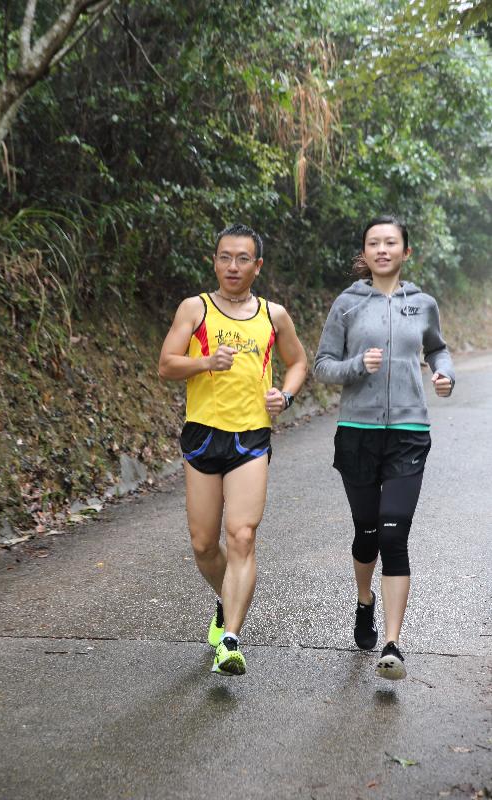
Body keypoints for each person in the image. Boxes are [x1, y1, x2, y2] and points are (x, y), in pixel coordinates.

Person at [159, 223, 307, 675]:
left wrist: (286, 395)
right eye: (225, 257)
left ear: (257, 266)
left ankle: (231, 639)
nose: (233, 266)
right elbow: (166, 365)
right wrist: (205, 361)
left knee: (241, 535)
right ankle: (226, 599)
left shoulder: (273, 315)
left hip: (250, 438)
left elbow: (297, 361)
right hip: (203, 435)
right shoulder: (196, 309)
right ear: (215, 261)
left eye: (243, 259)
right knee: (204, 544)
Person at [314, 214, 454, 680]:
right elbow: (323, 366)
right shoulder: (348, 305)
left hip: (409, 433)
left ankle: (392, 644)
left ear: (405, 251)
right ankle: (364, 601)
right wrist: (358, 364)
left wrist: (444, 373)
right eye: (374, 243)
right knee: (367, 533)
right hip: (357, 432)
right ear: (365, 252)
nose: (382, 250)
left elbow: (438, 348)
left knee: (394, 535)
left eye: (391, 243)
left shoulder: (423, 303)